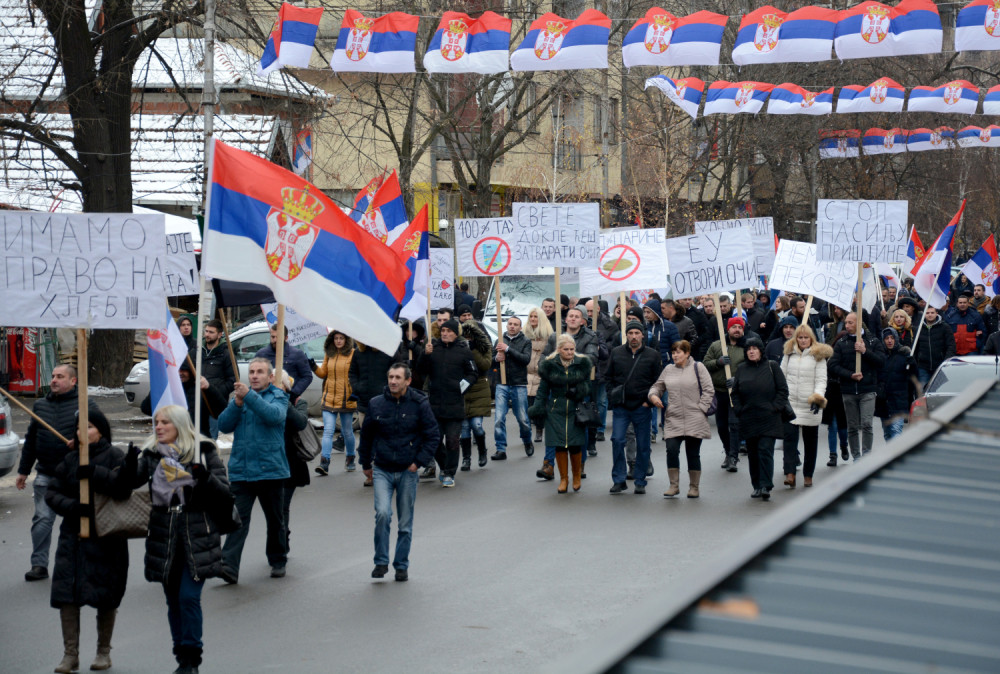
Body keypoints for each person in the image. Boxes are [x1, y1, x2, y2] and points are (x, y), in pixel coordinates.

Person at [130, 404, 231, 674]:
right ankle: (181, 658)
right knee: (173, 600)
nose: (158, 427)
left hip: (197, 533)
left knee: (188, 597)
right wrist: (128, 467)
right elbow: (127, 484)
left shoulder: (203, 451)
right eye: (156, 422)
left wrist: (204, 477)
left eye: (165, 422)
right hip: (164, 534)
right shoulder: (152, 454)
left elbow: (224, 494)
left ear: (179, 425)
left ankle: (192, 658)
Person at [46, 408, 130, 673]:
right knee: (67, 595)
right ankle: (70, 654)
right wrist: (74, 507)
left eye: (90, 427)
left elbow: (124, 488)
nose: (84, 432)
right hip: (74, 537)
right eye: (80, 428)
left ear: (101, 430)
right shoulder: (70, 458)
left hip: (106, 538)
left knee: (105, 594)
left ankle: (103, 651)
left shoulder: (115, 456)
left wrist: (94, 472)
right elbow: (52, 493)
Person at [15, 364, 96, 582]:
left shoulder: (85, 405)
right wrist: (23, 470)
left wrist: (81, 441)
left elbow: (100, 435)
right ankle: (39, 564)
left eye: (60, 376)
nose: (54, 380)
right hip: (46, 474)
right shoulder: (40, 405)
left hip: (75, 476)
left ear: (73, 381)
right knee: (42, 521)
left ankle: (79, 563)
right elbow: (31, 439)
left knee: (77, 523)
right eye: (53, 376)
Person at [360, 363, 440, 582]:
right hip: (382, 469)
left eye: (397, 377)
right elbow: (366, 436)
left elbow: (432, 435)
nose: (393, 381)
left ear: (408, 381)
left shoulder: (419, 403)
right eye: (390, 377)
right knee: (383, 514)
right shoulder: (376, 404)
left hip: (407, 470)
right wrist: (365, 463)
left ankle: (401, 565)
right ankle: (381, 562)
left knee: (405, 522)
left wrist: (418, 462)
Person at [217, 357, 289, 583]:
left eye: (259, 372)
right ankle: (228, 565)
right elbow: (223, 425)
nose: (255, 375)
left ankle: (278, 560)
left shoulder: (278, 396)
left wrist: (248, 396)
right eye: (252, 372)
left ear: (270, 377)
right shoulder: (240, 398)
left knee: (275, 521)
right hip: (242, 470)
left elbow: (273, 416)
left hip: (271, 470)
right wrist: (237, 404)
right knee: (237, 520)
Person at [648, 340, 715, 498]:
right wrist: (653, 396)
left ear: (687, 353)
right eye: (673, 352)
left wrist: (701, 409)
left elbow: (708, 389)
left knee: (692, 453)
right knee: (671, 450)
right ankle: (674, 485)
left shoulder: (698, 367)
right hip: (674, 417)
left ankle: (694, 487)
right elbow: (657, 386)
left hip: (695, 416)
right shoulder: (668, 369)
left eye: (678, 352)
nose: (675, 355)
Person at [416, 318, 477, 487]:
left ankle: (450, 472)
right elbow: (421, 370)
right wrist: (424, 354)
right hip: (435, 403)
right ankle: (444, 466)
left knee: (452, 441)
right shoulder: (432, 348)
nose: (445, 334)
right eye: (443, 331)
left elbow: (473, 373)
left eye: (449, 331)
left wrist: (461, 386)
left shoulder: (464, 351)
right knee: (434, 440)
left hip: (455, 404)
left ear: (455, 334)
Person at [605, 321, 663, 495]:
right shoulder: (616, 353)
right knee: (617, 440)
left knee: (643, 444)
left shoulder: (652, 355)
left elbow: (658, 382)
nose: (634, 336)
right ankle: (619, 479)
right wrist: (613, 398)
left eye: (637, 333)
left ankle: (640, 480)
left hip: (642, 407)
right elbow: (608, 377)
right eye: (631, 333)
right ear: (626, 335)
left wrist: (649, 401)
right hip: (621, 407)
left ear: (643, 335)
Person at [528, 335, 591, 493]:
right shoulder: (549, 365)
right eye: (566, 349)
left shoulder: (581, 364)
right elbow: (542, 391)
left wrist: (578, 391)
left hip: (575, 410)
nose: (570, 352)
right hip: (556, 410)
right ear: (559, 350)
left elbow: (588, 387)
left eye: (572, 349)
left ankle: (576, 475)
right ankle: (564, 479)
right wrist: (538, 408)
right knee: (559, 444)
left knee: (575, 444)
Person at [731, 334, 789, 501]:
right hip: (749, 418)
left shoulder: (772, 367)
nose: (751, 352)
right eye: (748, 349)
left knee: (765, 450)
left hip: (769, 417)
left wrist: (775, 407)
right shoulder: (741, 369)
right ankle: (756, 485)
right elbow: (735, 393)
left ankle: (766, 485)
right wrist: (739, 409)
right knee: (753, 453)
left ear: (761, 351)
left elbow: (783, 390)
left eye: (754, 349)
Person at [829, 312, 886, 461]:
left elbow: (881, 361)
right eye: (846, 323)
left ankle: (866, 455)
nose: (847, 326)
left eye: (850, 323)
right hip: (848, 390)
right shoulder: (842, 343)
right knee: (852, 426)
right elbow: (833, 365)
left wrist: (865, 352)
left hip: (867, 389)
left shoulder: (872, 341)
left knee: (867, 424)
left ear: (859, 323)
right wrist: (849, 375)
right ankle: (856, 456)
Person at [780, 325, 832, 488]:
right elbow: (781, 376)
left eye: (806, 337)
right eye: (800, 337)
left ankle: (808, 474)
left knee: (810, 442)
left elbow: (821, 380)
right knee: (789, 440)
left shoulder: (819, 356)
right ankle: (790, 473)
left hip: (810, 405)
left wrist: (817, 398)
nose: (803, 340)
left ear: (811, 339)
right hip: (790, 404)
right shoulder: (789, 354)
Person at [350, 338, 406, 486]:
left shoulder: (389, 351)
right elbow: (352, 373)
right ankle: (371, 472)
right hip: (364, 403)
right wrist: (357, 387)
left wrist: (390, 390)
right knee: (367, 438)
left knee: (385, 438)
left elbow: (400, 371)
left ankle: (386, 471)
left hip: (385, 402)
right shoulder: (358, 352)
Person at [140, 358, 226, 437]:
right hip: (172, 441)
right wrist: (158, 388)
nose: (180, 373)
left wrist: (209, 389)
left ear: (191, 371)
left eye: (183, 370)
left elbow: (220, 411)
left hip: (197, 441)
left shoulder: (201, 389)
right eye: (177, 370)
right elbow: (146, 408)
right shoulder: (167, 389)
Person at [705, 317, 747, 472]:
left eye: (740, 327)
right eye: (734, 327)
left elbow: (752, 368)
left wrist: (738, 380)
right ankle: (728, 451)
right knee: (722, 426)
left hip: (737, 392)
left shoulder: (747, 347)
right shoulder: (717, 345)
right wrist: (718, 362)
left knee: (735, 425)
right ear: (728, 329)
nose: (737, 330)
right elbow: (705, 363)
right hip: (720, 391)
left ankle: (734, 457)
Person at [313, 331, 357, 476]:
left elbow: (357, 374)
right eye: (336, 338)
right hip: (329, 397)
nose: (338, 341)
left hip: (346, 398)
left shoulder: (353, 354)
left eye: (341, 338)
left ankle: (350, 458)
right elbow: (322, 373)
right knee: (328, 431)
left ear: (346, 340)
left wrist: (356, 390)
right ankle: (324, 463)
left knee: (347, 432)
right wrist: (313, 366)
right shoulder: (329, 354)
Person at [493, 316, 534, 462]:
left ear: (520, 327)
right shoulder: (499, 340)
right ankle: (500, 448)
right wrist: (496, 358)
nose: (512, 326)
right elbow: (491, 360)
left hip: (518, 384)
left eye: (515, 324)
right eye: (510, 324)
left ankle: (527, 440)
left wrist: (508, 349)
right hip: (502, 383)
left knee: (522, 418)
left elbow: (525, 359)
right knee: (498, 418)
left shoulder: (525, 341)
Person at [279, 372, 310, 553]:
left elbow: (300, 422)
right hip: (269, 461)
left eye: (279, 384)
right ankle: (280, 536)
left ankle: (282, 542)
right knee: (275, 508)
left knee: (283, 506)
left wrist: (284, 402)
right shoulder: (264, 401)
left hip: (291, 462)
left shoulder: (298, 402)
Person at [194, 318, 236, 439]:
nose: (207, 334)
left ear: (219, 334)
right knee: (196, 437)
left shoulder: (226, 354)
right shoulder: (197, 351)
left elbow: (232, 379)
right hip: (197, 402)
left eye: (211, 332)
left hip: (214, 403)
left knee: (211, 438)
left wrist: (216, 391)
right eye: (206, 331)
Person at [526, 307, 555, 478]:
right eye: (530, 316)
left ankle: (539, 429)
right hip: (527, 374)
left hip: (541, 375)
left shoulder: (549, 337)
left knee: (540, 405)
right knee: (530, 405)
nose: (533, 318)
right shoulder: (525, 335)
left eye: (536, 316)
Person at [587, 298, 621, 442]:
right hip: (587, 368)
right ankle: (587, 426)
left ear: (598, 310)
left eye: (591, 311)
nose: (589, 314)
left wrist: (600, 347)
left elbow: (614, 345)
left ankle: (600, 428)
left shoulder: (610, 325)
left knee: (601, 400)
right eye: (587, 311)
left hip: (602, 366)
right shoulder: (582, 325)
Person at [460, 319, 494, 466]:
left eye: (471, 336)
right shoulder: (457, 347)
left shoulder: (483, 347)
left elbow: (485, 364)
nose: (468, 339)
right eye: (465, 336)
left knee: (476, 425)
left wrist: (473, 349)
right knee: (465, 427)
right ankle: (466, 459)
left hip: (479, 386)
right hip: (462, 387)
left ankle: (482, 451)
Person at [255, 323, 313, 402]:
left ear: (286, 338)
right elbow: (255, 375)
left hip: (287, 401)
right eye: (273, 337)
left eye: (278, 337)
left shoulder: (297, 354)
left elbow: (307, 376)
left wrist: (293, 393)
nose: (275, 340)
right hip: (265, 400)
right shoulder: (261, 354)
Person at [877, 328, 915, 441]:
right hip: (883, 402)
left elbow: (913, 377)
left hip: (899, 400)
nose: (889, 341)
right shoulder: (880, 356)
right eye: (887, 338)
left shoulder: (904, 355)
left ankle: (896, 456)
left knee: (896, 431)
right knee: (887, 433)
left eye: (892, 338)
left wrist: (912, 365)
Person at [913, 306, 956, 385]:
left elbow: (951, 346)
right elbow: (915, 347)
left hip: (940, 365)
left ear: (936, 313)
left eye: (932, 313)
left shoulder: (945, 327)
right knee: (923, 391)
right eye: (927, 313)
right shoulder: (919, 329)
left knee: (939, 389)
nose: (930, 315)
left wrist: (946, 361)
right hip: (923, 366)